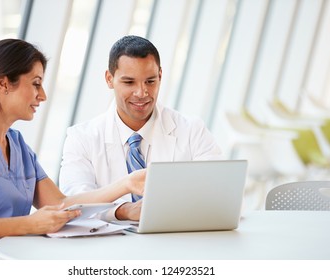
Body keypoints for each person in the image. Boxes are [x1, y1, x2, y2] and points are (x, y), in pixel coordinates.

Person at [0, 39, 145, 260]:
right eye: (36, 83)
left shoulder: (17, 144)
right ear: (3, 84)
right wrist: (27, 224)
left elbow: (61, 204)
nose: (43, 95)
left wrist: (125, 184)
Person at [59, 35, 222, 222]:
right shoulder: (81, 137)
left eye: (150, 81)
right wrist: (123, 210)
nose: (141, 93)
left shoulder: (192, 130)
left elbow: (222, 197)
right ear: (109, 79)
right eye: (129, 82)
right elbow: (75, 205)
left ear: (160, 76)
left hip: (176, 243)